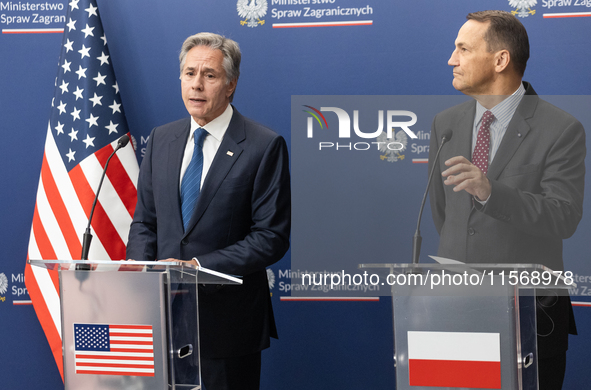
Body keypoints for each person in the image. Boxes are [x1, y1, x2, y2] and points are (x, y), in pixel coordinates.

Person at [429, 10, 585, 390]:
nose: (452, 59)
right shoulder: (445, 123)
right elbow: (444, 214)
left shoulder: (561, 129)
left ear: (500, 60)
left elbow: (563, 216)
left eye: (463, 49)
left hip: (528, 321)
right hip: (457, 318)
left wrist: (489, 190)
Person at [126, 32, 291, 390]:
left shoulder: (263, 145)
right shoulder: (160, 139)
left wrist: (199, 268)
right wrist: (139, 279)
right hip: (161, 320)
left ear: (230, 84)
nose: (196, 85)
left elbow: (270, 237)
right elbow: (145, 222)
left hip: (227, 328)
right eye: (189, 74)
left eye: (209, 75)